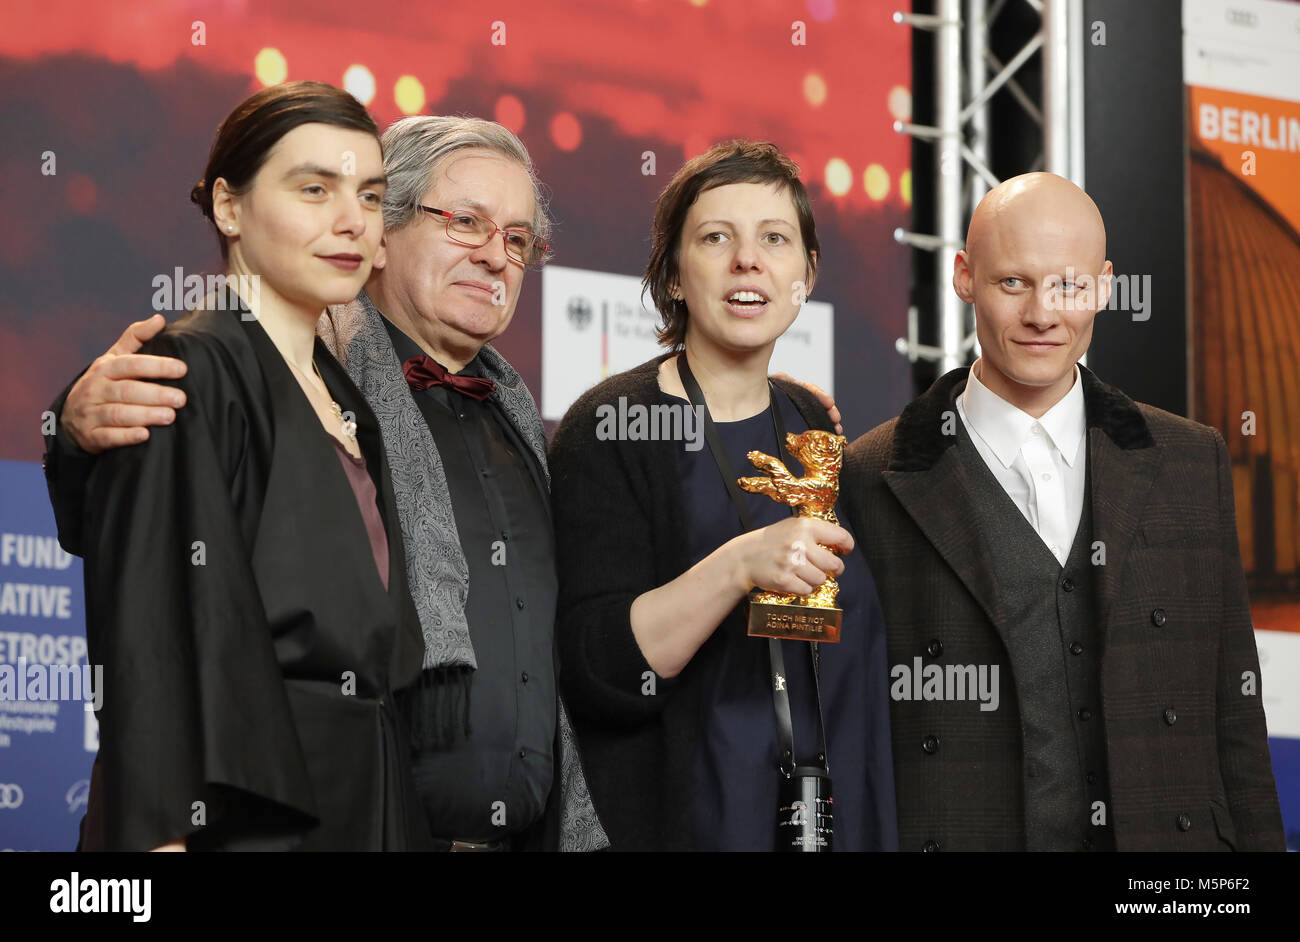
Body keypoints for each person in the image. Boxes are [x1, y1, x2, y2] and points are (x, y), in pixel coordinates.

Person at [45, 114, 610, 851]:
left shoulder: (529, 430)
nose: (494, 256)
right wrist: (74, 425)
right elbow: (160, 601)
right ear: (384, 236)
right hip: (313, 820)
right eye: (466, 222)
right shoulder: (298, 371)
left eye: (516, 239)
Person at [840, 171, 1285, 851]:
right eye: (1013, 282)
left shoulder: (1190, 461)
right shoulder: (870, 476)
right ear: (965, 277)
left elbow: (1235, 713)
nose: (1043, 313)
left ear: (1104, 287)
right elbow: (853, 728)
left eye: (1070, 286)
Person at [63, 81, 433, 850]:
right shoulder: (186, 366)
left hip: (366, 804)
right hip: (239, 818)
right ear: (229, 207)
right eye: (313, 189)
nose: (350, 222)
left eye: (369, 195)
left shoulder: (348, 398)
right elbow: (151, 637)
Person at [547, 141, 898, 851]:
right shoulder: (612, 426)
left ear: (806, 275)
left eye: (775, 239)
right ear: (674, 275)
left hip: (827, 814)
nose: (749, 261)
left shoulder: (811, 423)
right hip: (689, 823)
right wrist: (739, 565)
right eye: (716, 239)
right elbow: (597, 670)